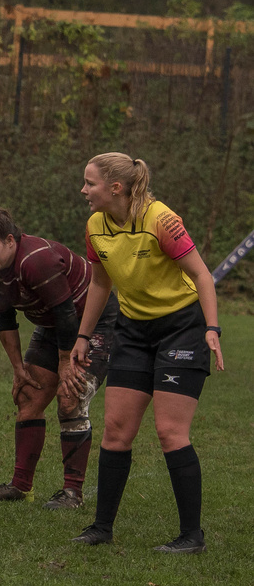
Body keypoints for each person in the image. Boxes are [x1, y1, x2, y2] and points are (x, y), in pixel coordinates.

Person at [69, 153, 223, 554]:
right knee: (117, 431)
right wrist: (83, 336)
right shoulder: (95, 226)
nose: (83, 190)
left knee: (170, 432)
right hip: (133, 331)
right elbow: (101, 283)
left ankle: (192, 536)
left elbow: (202, 274)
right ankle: (102, 527)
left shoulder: (160, 220)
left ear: (115, 188)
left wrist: (211, 328)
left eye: (90, 183)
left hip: (182, 330)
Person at [0, 208, 117, 509]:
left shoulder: (36, 259)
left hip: (93, 322)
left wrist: (66, 365)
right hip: (54, 326)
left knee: (70, 395)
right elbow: (4, 319)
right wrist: (17, 368)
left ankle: (73, 493)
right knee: (28, 395)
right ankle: (21, 487)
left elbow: (66, 314)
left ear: (10, 240)